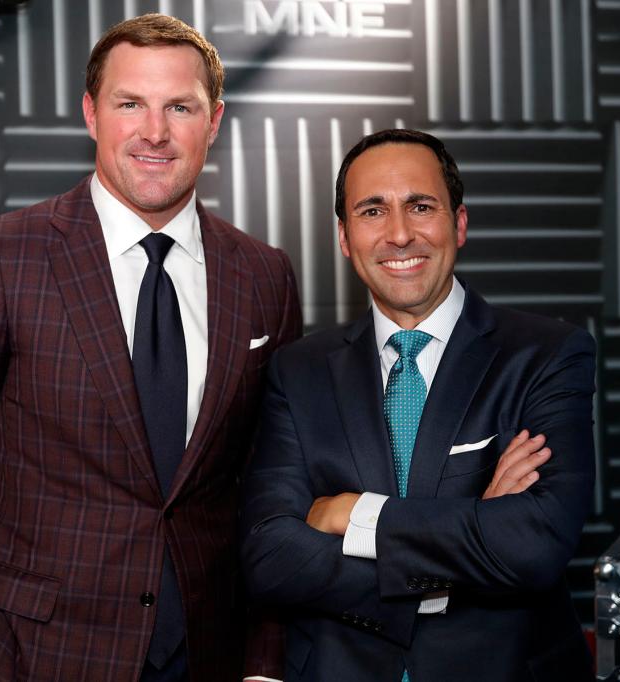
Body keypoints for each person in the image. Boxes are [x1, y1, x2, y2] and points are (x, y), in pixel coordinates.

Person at [0, 14, 300, 682]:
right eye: (130, 103)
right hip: (38, 657)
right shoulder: (3, 256)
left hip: (211, 655)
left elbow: (276, 484)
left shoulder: (263, 276)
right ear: (90, 113)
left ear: (214, 120)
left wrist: (265, 660)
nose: (154, 132)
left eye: (180, 108)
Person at [239, 129, 596, 681]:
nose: (400, 234)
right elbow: (270, 554)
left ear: (459, 223)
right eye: (373, 211)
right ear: (344, 236)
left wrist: (351, 513)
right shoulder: (298, 370)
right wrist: (466, 541)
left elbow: (533, 543)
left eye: (421, 207)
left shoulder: (546, 355)